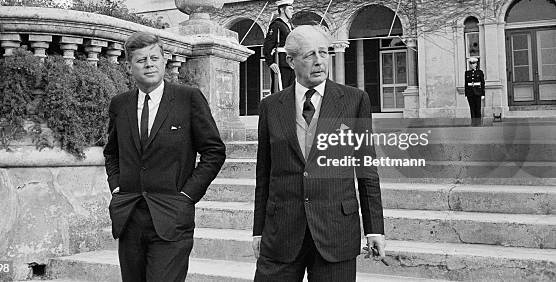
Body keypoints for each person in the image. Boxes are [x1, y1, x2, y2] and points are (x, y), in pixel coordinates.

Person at [252, 25, 386, 281]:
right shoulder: (270, 107)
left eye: (323, 53)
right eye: (309, 55)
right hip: (281, 233)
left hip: (336, 231)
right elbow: (264, 174)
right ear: (290, 61)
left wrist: (374, 228)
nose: (319, 61)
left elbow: (366, 168)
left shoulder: (354, 101)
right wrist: (258, 230)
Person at [103, 31, 226, 282]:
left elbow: (214, 151)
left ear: (164, 61)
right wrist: (116, 187)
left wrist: (187, 196)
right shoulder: (120, 104)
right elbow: (112, 153)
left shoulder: (188, 98)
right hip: (130, 216)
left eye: (154, 58)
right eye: (141, 60)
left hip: (172, 215)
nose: (149, 64)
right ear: (129, 67)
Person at [263, 0, 295, 93]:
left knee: (291, 92)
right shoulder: (276, 25)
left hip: (291, 64)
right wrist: (270, 62)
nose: (292, 11)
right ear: (282, 10)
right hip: (281, 63)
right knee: (281, 92)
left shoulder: (289, 26)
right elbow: (268, 45)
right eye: (290, 9)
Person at [464, 57, 485, 126]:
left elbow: (482, 83)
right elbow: (466, 84)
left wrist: (483, 94)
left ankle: (478, 122)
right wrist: (466, 94)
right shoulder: (467, 73)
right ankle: (473, 122)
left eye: (473, 63)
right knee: (472, 108)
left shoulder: (480, 72)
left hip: (478, 92)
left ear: (476, 64)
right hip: (470, 93)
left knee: (478, 108)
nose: (472, 65)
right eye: (471, 63)